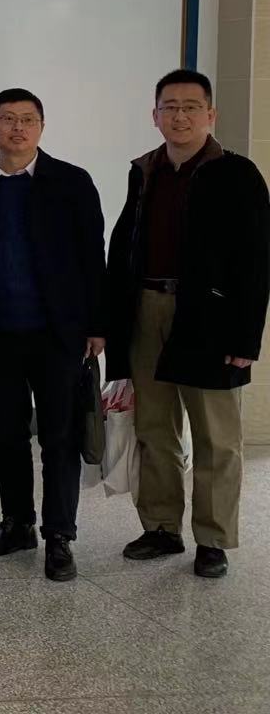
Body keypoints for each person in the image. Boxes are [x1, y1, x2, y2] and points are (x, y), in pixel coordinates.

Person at [106, 70, 269, 579]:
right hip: (146, 308)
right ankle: (160, 527)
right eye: (170, 107)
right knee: (154, 428)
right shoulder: (144, 171)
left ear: (210, 115)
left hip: (210, 318)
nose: (180, 116)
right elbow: (123, 247)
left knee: (216, 436)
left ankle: (213, 539)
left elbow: (256, 260)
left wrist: (246, 338)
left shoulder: (237, 173)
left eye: (191, 107)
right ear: (154, 116)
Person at [0, 88, 105, 582]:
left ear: (41, 127)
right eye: (7, 119)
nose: (17, 128)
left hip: (57, 334)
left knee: (60, 437)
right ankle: (17, 523)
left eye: (28, 119)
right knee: (7, 434)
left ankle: (59, 534)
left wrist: (97, 325)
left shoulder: (71, 181)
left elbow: (93, 256)